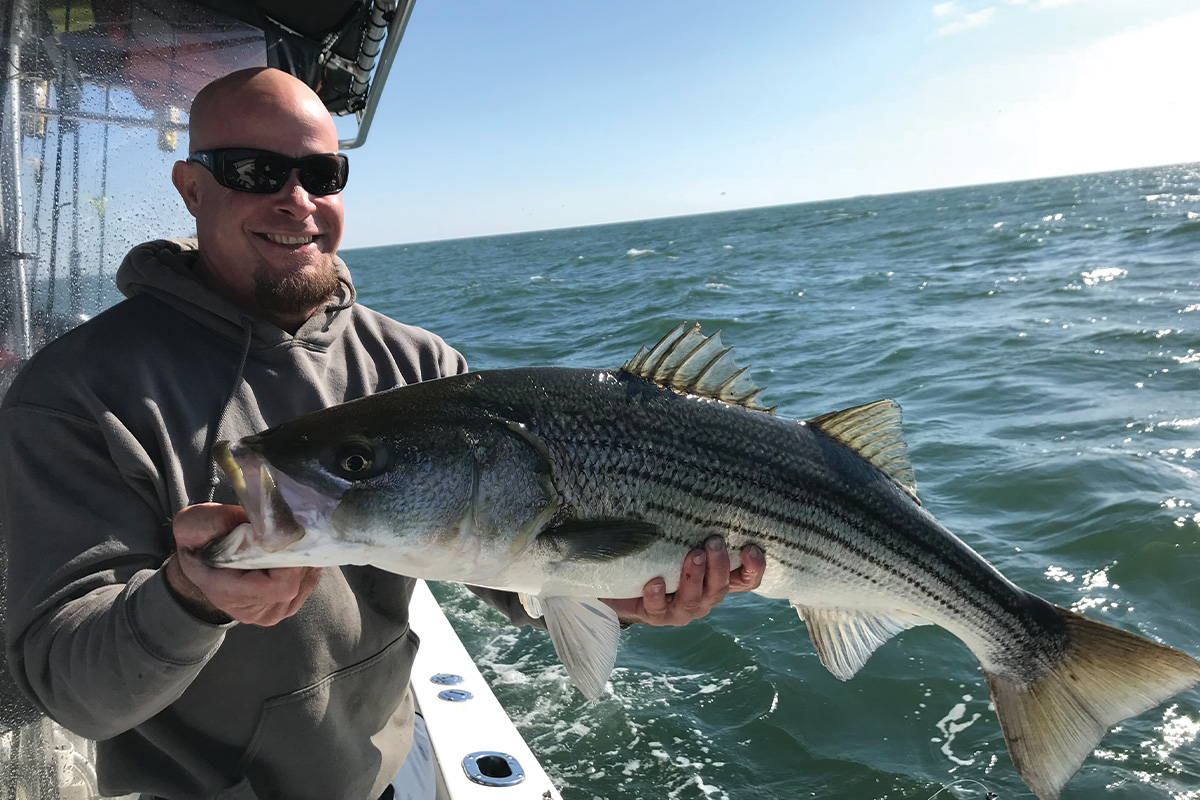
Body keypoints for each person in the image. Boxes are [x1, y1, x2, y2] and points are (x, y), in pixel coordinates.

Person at [0, 67, 766, 800]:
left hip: (392, 774)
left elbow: (504, 555)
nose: (297, 199)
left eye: (322, 174)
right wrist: (189, 598)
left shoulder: (419, 362)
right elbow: (73, 696)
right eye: (254, 171)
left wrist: (613, 591)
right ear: (191, 189)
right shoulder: (75, 394)